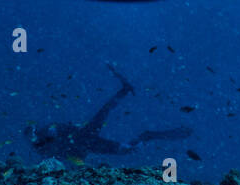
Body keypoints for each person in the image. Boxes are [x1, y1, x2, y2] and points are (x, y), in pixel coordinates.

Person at [30, 63, 191, 157]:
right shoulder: (43, 144)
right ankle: (148, 134)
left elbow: (64, 134)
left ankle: (125, 92)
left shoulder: (46, 134)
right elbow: (69, 149)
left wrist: (76, 140)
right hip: (87, 141)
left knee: (106, 115)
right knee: (123, 146)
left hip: (85, 137)